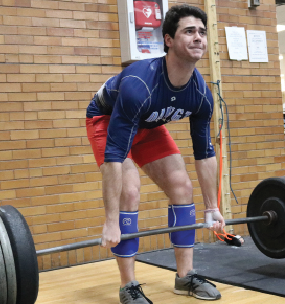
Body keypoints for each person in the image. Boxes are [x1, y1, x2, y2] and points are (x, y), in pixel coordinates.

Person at [85, 4, 225, 303]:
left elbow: (204, 153)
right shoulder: (139, 83)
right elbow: (114, 155)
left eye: (202, 32)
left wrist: (211, 206)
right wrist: (111, 220)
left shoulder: (201, 94)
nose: (198, 37)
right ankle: (128, 285)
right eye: (189, 31)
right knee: (130, 192)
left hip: (149, 125)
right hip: (107, 119)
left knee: (182, 187)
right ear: (168, 40)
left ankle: (185, 277)